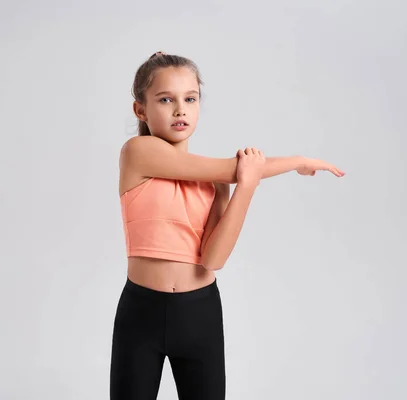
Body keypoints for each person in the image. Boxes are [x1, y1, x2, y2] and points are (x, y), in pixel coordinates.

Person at [110, 51, 345, 400]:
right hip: (141, 313)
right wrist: (298, 161)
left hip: (200, 313)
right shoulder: (137, 152)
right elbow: (234, 169)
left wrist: (247, 186)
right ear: (140, 110)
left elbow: (213, 260)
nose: (180, 110)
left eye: (190, 98)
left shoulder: (215, 183)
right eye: (165, 99)